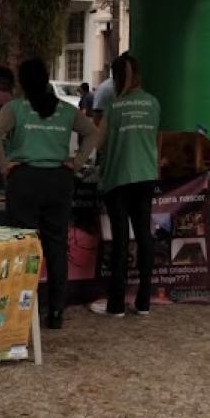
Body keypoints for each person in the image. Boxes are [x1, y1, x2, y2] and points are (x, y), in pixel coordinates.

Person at [0, 58, 99, 329]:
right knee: (56, 246)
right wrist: (76, 161)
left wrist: (4, 165)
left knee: (22, 245)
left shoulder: (16, 108)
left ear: (22, 83)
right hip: (58, 181)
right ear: (47, 78)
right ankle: (56, 312)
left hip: (24, 180)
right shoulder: (65, 110)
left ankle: (24, 311)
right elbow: (93, 133)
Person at [90, 53, 160, 318]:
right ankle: (144, 302)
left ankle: (116, 305)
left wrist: (75, 161)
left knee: (120, 240)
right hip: (145, 176)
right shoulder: (153, 104)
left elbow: (97, 141)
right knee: (144, 236)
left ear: (117, 78)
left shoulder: (114, 108)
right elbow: (153, 139)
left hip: (118, 178)